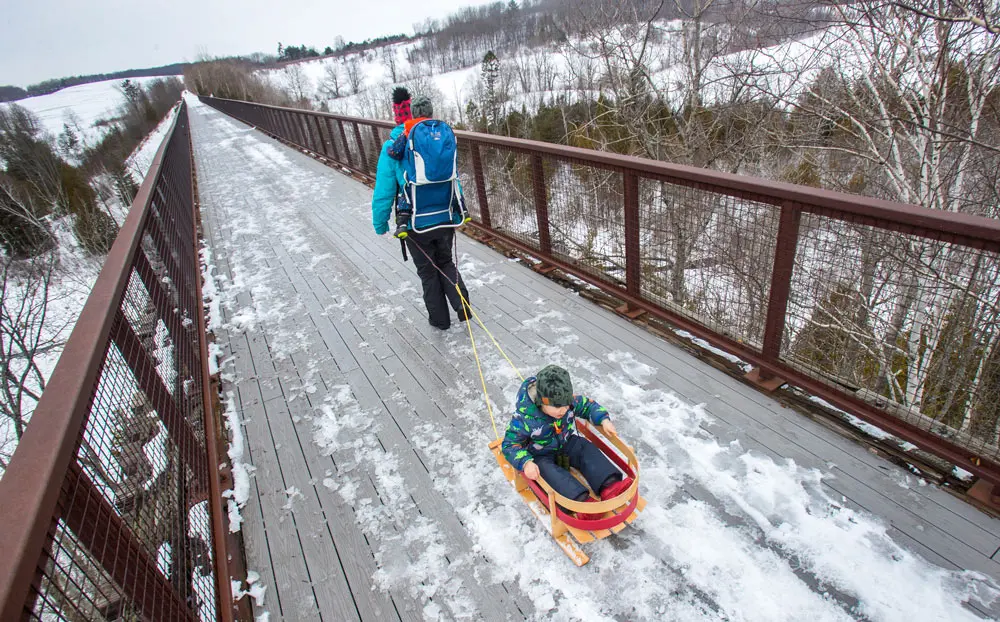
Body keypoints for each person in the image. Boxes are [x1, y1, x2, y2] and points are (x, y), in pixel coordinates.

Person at [371, 92, 470, 331]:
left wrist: (380, 222)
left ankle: (440, 320)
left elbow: (384, 189)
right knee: (445, 260)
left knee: (428, 271)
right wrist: (459, 209)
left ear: (408, 115)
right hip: (445, 216)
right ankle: (460, 302)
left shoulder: (394, 144)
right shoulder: (443, 137)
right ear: (431, 113)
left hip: (415, 221)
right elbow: (452, 178)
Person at [501, 365, 634, 518]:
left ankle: (609, 484)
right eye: (557, 406)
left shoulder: (567, 403)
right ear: (542, 402)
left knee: (584, 447)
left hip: (566, 442)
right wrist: (526, 462)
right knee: (546, 471)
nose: (563, 410)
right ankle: (580, 502)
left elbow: (588, 405)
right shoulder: (525, 418)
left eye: (566, 404)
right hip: (540, 454)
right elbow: (510, 444)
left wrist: (603, 419)